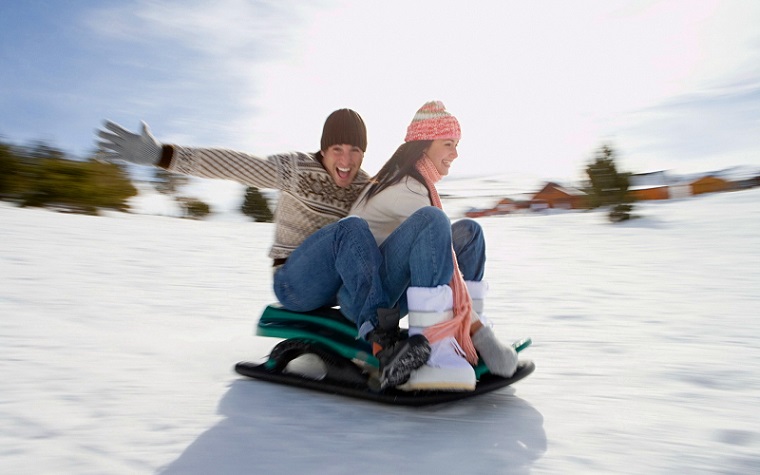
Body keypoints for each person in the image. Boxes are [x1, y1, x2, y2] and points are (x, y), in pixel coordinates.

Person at [96, 109, 429, 388]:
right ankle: (384, 345)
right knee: (350, 229)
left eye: (355, 150)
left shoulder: (364, 186)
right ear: (324, 149)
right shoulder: (295, 169)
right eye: (337, 149)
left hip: (339, 289)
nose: (346, 160)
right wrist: (161, 155)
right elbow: (234, 164)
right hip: (295, 284)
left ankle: (434, 333)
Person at [350, 101, 518, 391]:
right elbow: (444, 262)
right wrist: (483, 335)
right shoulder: (407, 187)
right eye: (448, 144)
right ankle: (436, 344)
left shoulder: (418, 181)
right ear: (425, 144)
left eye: (457, 144)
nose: (456, 153)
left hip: (392, 282)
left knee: (469, 233)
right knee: (433, 222)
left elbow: (444, 256)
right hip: (370, 296)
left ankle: (462, 334)